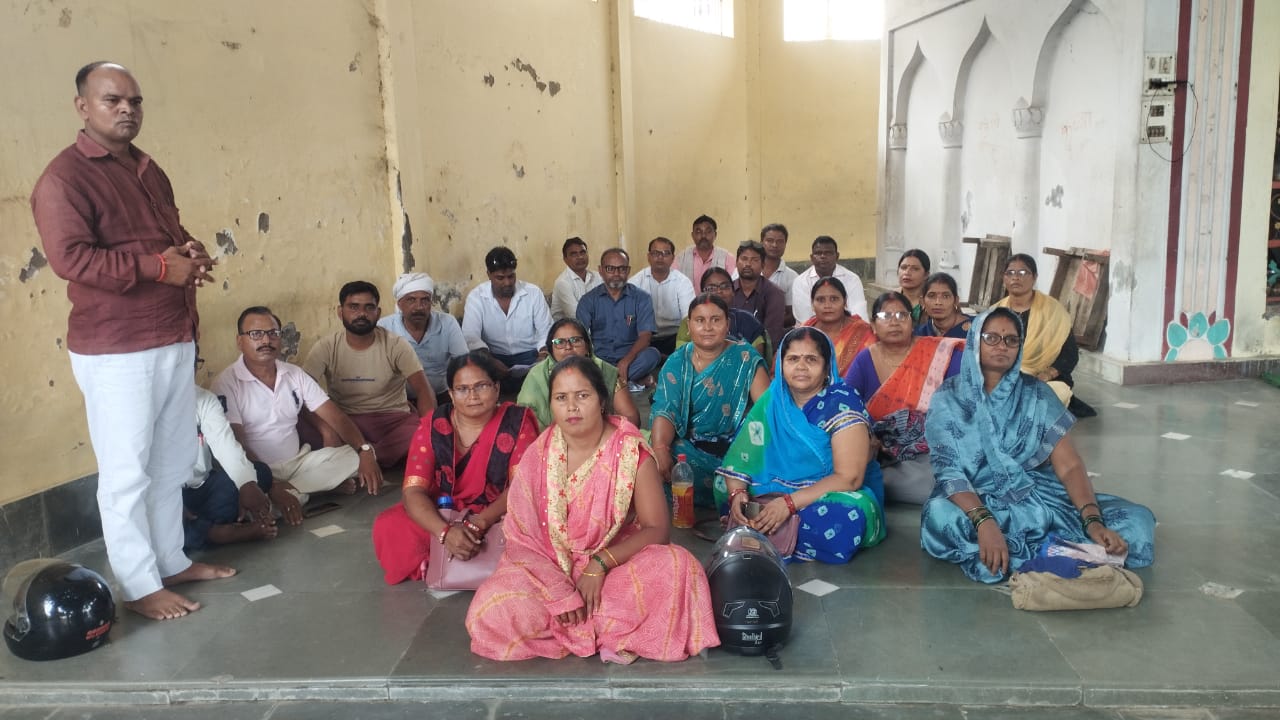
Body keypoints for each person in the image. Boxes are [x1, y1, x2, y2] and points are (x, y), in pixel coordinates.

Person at [32, 61, 233, 620]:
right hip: (116, 347)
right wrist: (158, 268)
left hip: (172, 334)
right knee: (126, 473)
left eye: (135, 101)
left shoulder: (147, 167)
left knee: (172, 462)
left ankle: (170, 560)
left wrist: (189, 250)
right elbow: (71, 259)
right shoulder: (63, 178)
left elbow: (166, 235)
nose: (127, 109)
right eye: (113, 100)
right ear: (83, 107)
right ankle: (139, 585)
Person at [466, 356, 719, 663]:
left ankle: (586, 623)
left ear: (601, 400)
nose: (571, 407)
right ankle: (605, 626)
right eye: (561, 398)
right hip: (548, 567)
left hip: (614, 566)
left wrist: (599, 564)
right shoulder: (539, 454)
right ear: (551, 404)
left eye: (582, 395)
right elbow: (523, 538)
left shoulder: (630, 452)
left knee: (678, 567)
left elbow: (658, 530)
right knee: (488, 609)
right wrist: (558, 589)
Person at [920, 309, 1155, 583]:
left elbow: (1069, 466)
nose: (1001, 346)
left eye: (1011, 340)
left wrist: (1093, 521)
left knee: (1137, 520)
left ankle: (1043, 554)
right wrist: (983, 521)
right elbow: (948, 472)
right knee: (940, 516)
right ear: (974, 341)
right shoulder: (948, 397)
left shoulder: (1037, 394)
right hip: (972, 495)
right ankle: (1069, 555)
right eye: (991, 338)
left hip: (1034, 494)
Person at [717, 328, 885, 564]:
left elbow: (849, 478)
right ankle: (768, 526)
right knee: (724, 487)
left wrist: (788, 504)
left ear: (826, 367)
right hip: (773, 489)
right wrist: (737, 494)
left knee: (847, 517)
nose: (801, 367)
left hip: (827, 494)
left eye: (811, 359)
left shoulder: (842, 402)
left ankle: (759, 530)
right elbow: (741, 458)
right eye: (793, 359)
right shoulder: (773, 401)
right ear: (781, 365)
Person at [371, 352, 538, 585]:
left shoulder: (517, 422)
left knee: (535, 526)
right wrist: (445, 532)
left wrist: (480, 522)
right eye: (462, 389)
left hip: (499, 511)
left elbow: (522, 488)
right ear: (450, 394)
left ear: (497, 388)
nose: (472, 396)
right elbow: (413, 490)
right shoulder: (433, 425)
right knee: (388, 525)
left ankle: (443, 561)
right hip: (445, 509)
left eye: (481, 386)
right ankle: (461, 556)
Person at [214, 307, 381, 526]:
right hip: (258, 470)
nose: (266, 340)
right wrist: (269, 483)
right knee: (251, 504)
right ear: (240, 341)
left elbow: (336, 417)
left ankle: (292, 492)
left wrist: (364, 450)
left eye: (273, 333)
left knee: (356, 455)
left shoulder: (293, 373)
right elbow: (236, 444)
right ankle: (310, 489)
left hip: (299, 462)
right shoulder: (227, 382)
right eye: (256, 334)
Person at [844, 292, 964, 504]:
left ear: (913, 322)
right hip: (879, 449)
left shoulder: (938, 353)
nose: (894, 322)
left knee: (938, 478)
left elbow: (963, 397)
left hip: (929, 448)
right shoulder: (865, 359)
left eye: (902, 315)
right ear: (873, 325)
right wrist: (866, 437)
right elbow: (847, 405)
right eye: (885, 316)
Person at [651, 295, 770, 508]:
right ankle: (730, 493)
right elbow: (665, 409)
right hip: (692, 450)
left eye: (716, 320)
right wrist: (660, 449)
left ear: (727, 324)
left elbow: (766, 411)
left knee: (766, 455)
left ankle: (734, 488)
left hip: (738, 448)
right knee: (654, 458)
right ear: (689, 326)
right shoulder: (677, 361)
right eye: (700, 320)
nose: (708, 327)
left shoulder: (745, 358)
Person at [303, 281, 434, 467]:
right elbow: (301, 393)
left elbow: (422, 389)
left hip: (392, 421)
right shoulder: (326, 347)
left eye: (369, 307)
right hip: (345, 421)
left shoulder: (396, 344)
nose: (361, 314)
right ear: (340, 312)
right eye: (353, 307)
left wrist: (429, 429)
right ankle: (372, 457)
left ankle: (356, 459)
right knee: (300, 427)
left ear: (378, 313)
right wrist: (327, 431)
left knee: (422, 433)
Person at [993, 254, 1093, 415]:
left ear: (1034, 277)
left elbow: (1070, 354)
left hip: (1045, 380)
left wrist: (1047, 374)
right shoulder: (995, 313)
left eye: (1023, 273)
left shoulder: (1053, 311)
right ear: (1003, 278)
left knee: (1055, 392)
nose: (1016, 277)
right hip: (1005, 377)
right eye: (1010, 273)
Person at [185, 381, 278, 551]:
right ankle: (212, 533)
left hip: (202, 488)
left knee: (260, 473)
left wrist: (246, 484)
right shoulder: (144, 404)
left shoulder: (204, 399)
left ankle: (202, 528)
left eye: (192, 366)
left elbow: (224, 444)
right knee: (154, 520)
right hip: (164, 494)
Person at [517, 319, 640, 430]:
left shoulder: (605, 371)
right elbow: (525, 426)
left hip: (603, 438)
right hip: (550, 443)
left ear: (587, 346)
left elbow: (631, 418)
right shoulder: (537, 376)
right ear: (551, 349)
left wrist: (606, 438)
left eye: (575, 340)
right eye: (560, 342)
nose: (568, 347)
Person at [462, 247, 553, 391]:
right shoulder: (476, 297)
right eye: (500, 278)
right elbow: (471, 338)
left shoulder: (533, 293)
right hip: (493, 357)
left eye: (511, 276)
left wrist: (542, 356)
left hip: (532, 356)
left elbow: (547, 331)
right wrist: (490, 361)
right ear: (489, 274)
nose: (507, 283)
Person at [378, 272, 469, 405]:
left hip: (442, 395)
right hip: (399, 401)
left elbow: (463, 362)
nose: (419, 307)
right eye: (411, 300)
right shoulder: (384, 327)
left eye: (425, 300)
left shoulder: (447, 323)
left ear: (431, 302)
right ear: (399, 304)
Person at [576, 248, 661, 388]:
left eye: (622, 269)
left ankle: (607, 382)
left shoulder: (642, 298)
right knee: (581, 363)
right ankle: (630, 380)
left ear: (628, 271)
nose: (616, 274)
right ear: (601, 270)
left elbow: (645, 337)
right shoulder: (588, 300)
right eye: (610, 269)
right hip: (599, 360)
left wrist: (626, 361)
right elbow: (580, 337)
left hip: (631, 358)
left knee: (652, 355)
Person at [676, 268, 770, 360]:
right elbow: (681, 357)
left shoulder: (747, 320)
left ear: (733, 292)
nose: (719, 291)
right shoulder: (691, 321)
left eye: (725, 286)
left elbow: (755, 360)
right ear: (702, 294)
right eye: (711, 288)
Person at [628, 236, 695, 356]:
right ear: (648, 257)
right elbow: (628, 317)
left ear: (673, 258)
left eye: (666, 253)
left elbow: (688, 318)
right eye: (655, 253)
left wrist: (681, 344)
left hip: (674, 337)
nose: (660, 257)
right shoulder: (636, 282)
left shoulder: (682, 282)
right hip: (644, 339)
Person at [803, 277, 874, 377]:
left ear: (845, 302)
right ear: (812, 304)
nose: (827, 305)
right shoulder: (805, 330)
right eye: (820, 300)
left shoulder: (863, 332)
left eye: (834, 299)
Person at [791, 236, 868, 325]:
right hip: (811, 330)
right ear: (812, 257)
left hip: (846, 329)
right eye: (818, 253)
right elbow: (805, 319)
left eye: (828, 253)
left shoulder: (852, 279)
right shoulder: (800, 282)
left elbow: (859, 316)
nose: (823, 256)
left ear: (837, 256)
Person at [732, 240, 786, 361]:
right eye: (744, 259)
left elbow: (772, 337)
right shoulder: (727, 291)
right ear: (736, 262)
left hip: (762, 357)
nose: (748, 264)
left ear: (763, 265)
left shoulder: (774, 293)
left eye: (754, 260)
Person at [676, 214, 736, 292]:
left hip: (718, 300)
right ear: (692, 235)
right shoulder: (681, 258)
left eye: (708, 231)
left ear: (715, 235)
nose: (703, 236)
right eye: (698, 232)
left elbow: (733, 288)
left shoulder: (727, 258)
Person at [549, 237, 602, 321]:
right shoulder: (562, 283)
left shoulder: (597, 276)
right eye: (574, 254)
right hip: (568, 327)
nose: (580, 257)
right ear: (565, 259)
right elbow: (578, 316)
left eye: (583, 252)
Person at [760, 223, 800, 328]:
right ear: (761, 242)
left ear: (785, 244)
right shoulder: (745, 271)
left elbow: (792, 315)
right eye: (770, 240)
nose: (774, 245)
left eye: (780, 241)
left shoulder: (793, 277)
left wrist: (765, 326)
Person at [915, 272, 973, 339]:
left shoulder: (977, 327)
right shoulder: (919, 334)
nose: (938, 302)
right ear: (922, 302)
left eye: (946, 296)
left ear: (956, 301)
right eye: (931, 296)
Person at [895, 249, 931, 322]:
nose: (907, 272)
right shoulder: (890, 298)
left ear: (926, 275)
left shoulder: (933, 301)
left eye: (915, 269)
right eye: (903, 267)